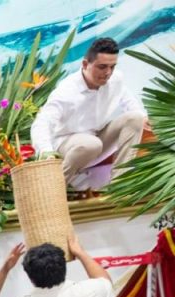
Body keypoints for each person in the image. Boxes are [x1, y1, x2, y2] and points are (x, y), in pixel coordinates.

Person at [30, 37, 148, 191]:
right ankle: (53, 189)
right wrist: (46, 152)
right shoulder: (66, 91)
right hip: (68, 144)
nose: (108, 73)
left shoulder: (115, 79)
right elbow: (42, 123)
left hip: (97, 138)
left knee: (136, 117)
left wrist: (144, 119)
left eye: (112, 67)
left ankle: (119, 185)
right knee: (91, 144)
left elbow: (127, 100)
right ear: (85, 64)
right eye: (102, 67)